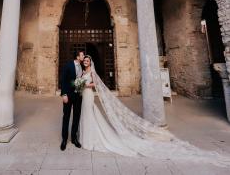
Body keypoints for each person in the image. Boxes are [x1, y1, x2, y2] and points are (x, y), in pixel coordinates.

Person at [79, 55, 230, 166]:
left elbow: (96, 85)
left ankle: (93, 138)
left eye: (87, 61)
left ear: (90, 62)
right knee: (86, 115)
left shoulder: (92, 72)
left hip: (89, 95)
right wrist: (80, 84)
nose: (85, 62)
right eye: (84, 61)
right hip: (84, 96)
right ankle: (86, 136)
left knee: (91, 114)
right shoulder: (82, 72)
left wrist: (85, 85)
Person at [60, 50, 84, 151]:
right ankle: (64, 139)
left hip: (78, 95)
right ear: (78, 57)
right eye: (82, 55)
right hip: (68, 95)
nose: (83, 56)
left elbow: (79, 80)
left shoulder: (82, 66)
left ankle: (74, 138)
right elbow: (63, 80)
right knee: (66, 116)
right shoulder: (68, 65)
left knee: (76, 116)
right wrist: (64, 94)